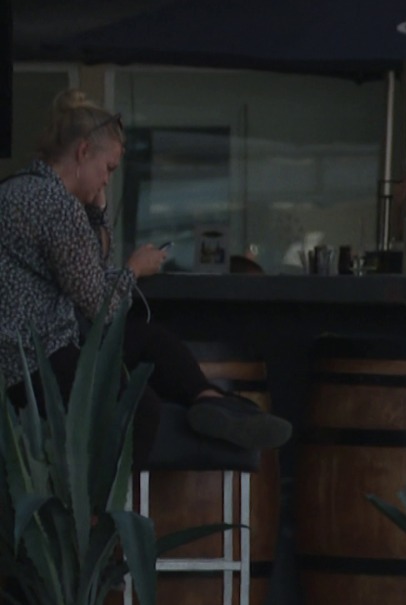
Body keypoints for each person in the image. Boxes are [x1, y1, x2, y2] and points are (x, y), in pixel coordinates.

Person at [0, 90, 291, 467]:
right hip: (32, 362)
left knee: (149, 342)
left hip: (29, 350)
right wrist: (135, 269)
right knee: (138, 408)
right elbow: (101, 305)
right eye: (107, 169)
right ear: (83, 151)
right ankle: (95, 520)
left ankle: (212, 403)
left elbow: (89, 269)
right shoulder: (56, 206)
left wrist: (97, 213)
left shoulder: (14, 188)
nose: (106, 182)